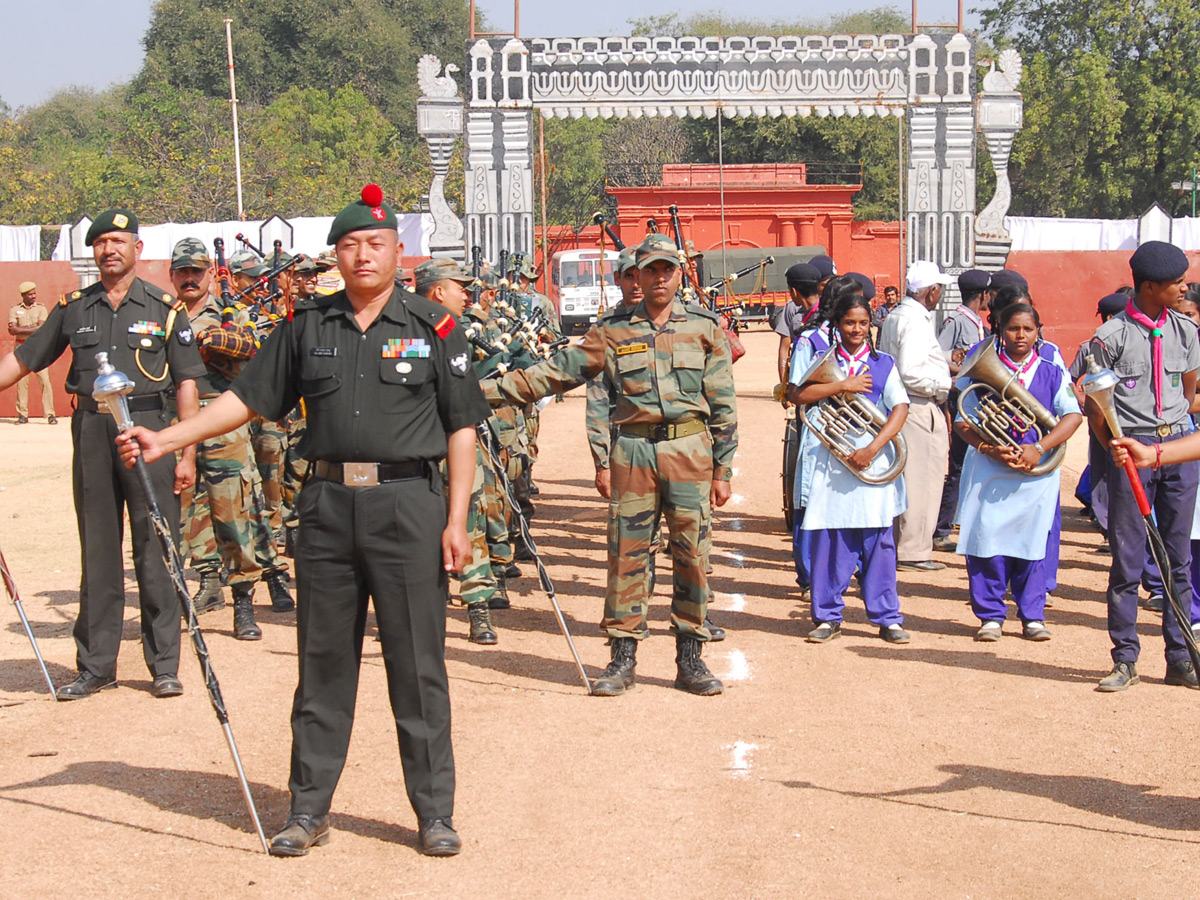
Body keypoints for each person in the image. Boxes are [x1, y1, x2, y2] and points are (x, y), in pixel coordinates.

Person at [116, 185, 491, 856]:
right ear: (338, 255)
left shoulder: (435, 327)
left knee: (417, 666)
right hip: (325, 511)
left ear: (396, 250)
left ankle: (434, 812)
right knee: (321, 666)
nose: (362, 256)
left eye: (374, 244)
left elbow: (462, 428)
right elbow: (245, 400)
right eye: (349, 246)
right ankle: (307, 810)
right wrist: (170, 439)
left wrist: (457, 518)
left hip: (410, 506)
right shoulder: (306, 326)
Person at [481, 232, 738, 697]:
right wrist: (486, 392)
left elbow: (724, 404)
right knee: (626, 556)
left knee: (692, 556)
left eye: (667, 269)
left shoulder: (704, 327)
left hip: (690, 452)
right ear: (635, 276)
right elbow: (557, 371)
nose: (659, 278)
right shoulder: (613, 330)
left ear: (679, 274)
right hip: (634, 452)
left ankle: (690, 659)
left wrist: (723, 469)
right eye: (650, 270)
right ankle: (622, 658)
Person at [0, 209, 204, 699]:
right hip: (92, 429)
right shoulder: (74, 307)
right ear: (93, 252)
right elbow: (24, 360)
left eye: (118, 241)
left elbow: (188, 384)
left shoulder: (164, 309)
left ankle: (163, 665)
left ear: (137, 249)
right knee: (98, 548)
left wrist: (188, 453)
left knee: (155, 548)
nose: (109, 250)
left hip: (149, 429)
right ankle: (96, 665)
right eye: (101, 243)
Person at [168, 237, 293, 640]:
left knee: (234, 509)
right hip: (176, 422)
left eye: (196, 271)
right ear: (172, 276)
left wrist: (212, 343)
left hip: (224, 420)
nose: (190, 278)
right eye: (182, 272)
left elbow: (254, 349)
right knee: (188, 510)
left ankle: (243, 598)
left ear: (209, 274)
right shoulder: (163, 316)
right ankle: (206, 581)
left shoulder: (230, 312)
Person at [1088, 240, 1199, 692]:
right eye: (1176, 283)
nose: (1184, 288)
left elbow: (1189, 393)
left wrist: (1170, 437)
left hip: (1176, 452)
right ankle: (1125, 658)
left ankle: (1180, 656)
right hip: (1129, 455)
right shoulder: (1108, 338)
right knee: (1128, 560)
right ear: (1150, 286)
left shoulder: (1187, 332)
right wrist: (1118, 449)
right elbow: (1099, 411)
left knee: (1178, 559)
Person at [954, 303, 1082, 641]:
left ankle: (1032, 615)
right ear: (1000, 331)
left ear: (1038, 331)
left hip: (1037, 468)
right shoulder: (979, 371)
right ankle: (990, 615)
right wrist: (988, 447)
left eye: (1028, 329)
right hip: (992, 467)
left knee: (1032, 541)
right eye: (1013, 328)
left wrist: (1038, 447)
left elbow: (1072, 416)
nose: (1021, 335)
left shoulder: (1052, 370)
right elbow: (963, 422)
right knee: (986, 540)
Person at [790, 294, 911, 644]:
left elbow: (900, 409)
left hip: (873, 459)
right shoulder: (820, 360)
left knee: (879, 545)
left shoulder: (884, 363)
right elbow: (797, 395)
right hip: (835, 461)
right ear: (837, 325)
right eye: (848, 323)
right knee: (830, 541)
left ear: (870, 324)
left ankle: (887, 616)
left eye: (862, 322)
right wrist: (842, 385)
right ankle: (827, 616)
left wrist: (873, 447)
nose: (856, 329)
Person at [414, 256, 505, 644]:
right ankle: (410, 613)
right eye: (459, 287)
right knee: (413, 530)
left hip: (458, 442)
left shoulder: (461, 331)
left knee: (471, 522)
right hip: (418, 447)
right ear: (437, 291)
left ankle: (478, 608)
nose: (467, 295)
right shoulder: (403, 332)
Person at [878, 260, 954, 571]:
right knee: (924, 480)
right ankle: (914, 551)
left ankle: (905, 547)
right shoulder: (914, 321)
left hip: (904, 405)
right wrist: (943, 383)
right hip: (920, 405)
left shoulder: (898, 315)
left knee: (909, 479)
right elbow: (910, 371)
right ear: (931, 291)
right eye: (939, 288)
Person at [933, 269, 992, 552]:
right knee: (957, 463)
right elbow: (939, 356)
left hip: (980, 396)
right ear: (982, 295)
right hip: (962, 396)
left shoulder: (977, 323)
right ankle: (941, 528)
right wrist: (967, 369)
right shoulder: (956, 321)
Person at [8, 282, 57, 424]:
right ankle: (22, 414)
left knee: (45, 382)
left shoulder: (41, 309)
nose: (33, 296)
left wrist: (20, 329)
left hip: (38, 348)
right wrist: (31, 328)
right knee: (22, 383)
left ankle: (50, 414)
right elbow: (11, 330)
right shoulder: (14, 309)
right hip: (22, 349)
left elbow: (41, 328)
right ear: (23, 295)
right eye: (30, 294)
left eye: (34, 293)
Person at [774, 262, 821, 397]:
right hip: (799, 385)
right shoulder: (792, 309)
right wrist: (785, 387)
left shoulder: (826, 312)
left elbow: (784, 347)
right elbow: (785, 349)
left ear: (794, 291)